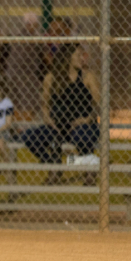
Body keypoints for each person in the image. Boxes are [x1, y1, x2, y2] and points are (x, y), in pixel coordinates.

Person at [22, 44, 100, 186]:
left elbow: (99, 105)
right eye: (78, 55)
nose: (82, 59)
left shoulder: (88, 77)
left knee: (80, 136)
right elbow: (45, 105)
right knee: (29, 137)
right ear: (67, 58)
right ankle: (54, 166)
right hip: (58, 126)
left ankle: (89, 172)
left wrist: (87, 119)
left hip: (82, 124)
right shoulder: (51, 78)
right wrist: (47, 118)